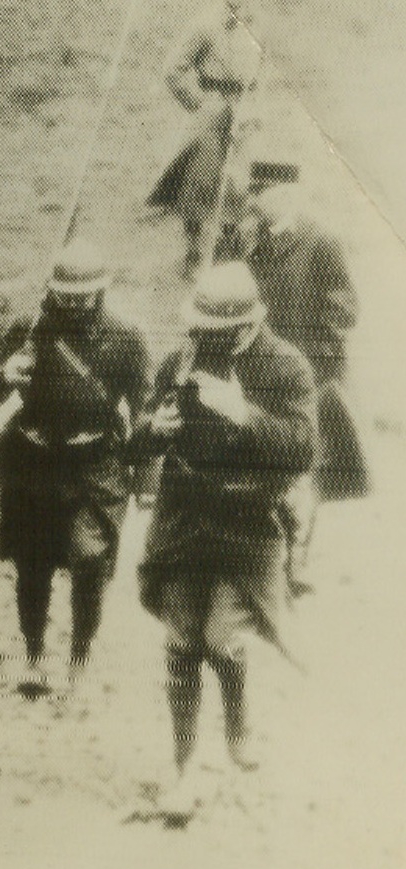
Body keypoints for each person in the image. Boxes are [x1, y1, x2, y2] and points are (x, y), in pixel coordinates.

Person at [131, 262, 316, 823]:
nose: (200, 342)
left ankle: (237, 727)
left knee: (220, 637)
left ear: (243, 328)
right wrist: (152, 431)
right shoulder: (181, 360)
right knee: (181, 642)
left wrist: (243, 414)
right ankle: (184, 764)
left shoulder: (285, 366)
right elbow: (136, 445)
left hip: (248, 526)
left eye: (213, 333)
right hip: (186, 521)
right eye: (197, 330)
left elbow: (302, 448)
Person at [0, 241, 149, 693]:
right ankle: (34, 656)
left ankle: (79, 655)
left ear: (102, 291)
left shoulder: (126, 337)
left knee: (90, 559)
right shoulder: (28, 327)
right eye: (65, 295)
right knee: (33, 566)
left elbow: (145, 410)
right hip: (32, 463)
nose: (73, 304)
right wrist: (5, 375)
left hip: (94, 466)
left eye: (83, 296)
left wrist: (146, 480)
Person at [242, 177, 367, 593]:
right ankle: (267, 559)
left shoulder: (322, 241)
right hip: (263, 373)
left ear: (287, 195)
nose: (256, 203)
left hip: (313, 376)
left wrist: (315, 348)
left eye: (263, 195)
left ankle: (293, 566)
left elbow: (347, 306)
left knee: (305, 471)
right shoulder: (252, 241)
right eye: (254, 196)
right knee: (266, 463)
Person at [148, 1, 261, 274]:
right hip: (212, 106)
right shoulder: (205, 26)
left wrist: (253, 108)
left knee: (239, 180)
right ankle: (193, 249)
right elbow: (174, 70)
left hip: (242, 109)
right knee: (200, 178)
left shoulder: (255, 25)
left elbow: (259, 71)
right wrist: (199, 102)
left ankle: (229, 250)